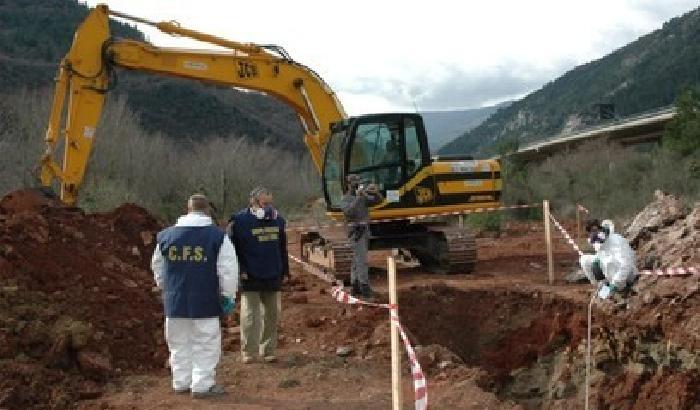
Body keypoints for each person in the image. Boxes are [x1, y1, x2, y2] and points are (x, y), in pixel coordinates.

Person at [151, 193, 238, 399]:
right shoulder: (217, 237)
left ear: (187, 209)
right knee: (206, 343)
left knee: (178, 343)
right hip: (205, 300)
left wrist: (166, 287)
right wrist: (227, 297)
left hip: (174, 301)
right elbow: (228, 270)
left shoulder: (166, 236)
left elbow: (157, 266)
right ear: (207, 210)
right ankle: (202, 385)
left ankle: (181, 381)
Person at [228, 186, 289, 364]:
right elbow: (232, 250)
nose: (268, 207)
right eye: (265, 203)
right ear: (253, 202)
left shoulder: (278, 221)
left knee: (272, 314)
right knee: (250, 315)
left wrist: (285, 270)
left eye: (270, 203)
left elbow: (282, 248)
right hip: (250, 275)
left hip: (273, 273)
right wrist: (240, 270)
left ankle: (268, 349)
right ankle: (249, 352)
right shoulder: (239, 222)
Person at [340, 174, 383, 299]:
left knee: (356, 260)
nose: (357, 186)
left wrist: (376, 193)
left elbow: (378, 201)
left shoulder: (363, 196)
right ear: (349, 185)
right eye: (355, 184)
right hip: (355, 232)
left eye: (358, 183)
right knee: (362, 261)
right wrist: (359, 197)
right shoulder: (346, 199)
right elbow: (349, 212)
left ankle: (355, 286)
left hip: (364, 231)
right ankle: (365, 289)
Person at [579, 218, 638, 298]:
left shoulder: (616, 242)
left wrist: (615, 284)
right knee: (585, 260)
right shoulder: (600, 244)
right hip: (611, 272)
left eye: (596, 230)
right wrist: (597, 260)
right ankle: (601, 288)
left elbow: (626, 264)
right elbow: (604, 253)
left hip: (626, 276)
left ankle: (617, 291)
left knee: (609, 262)